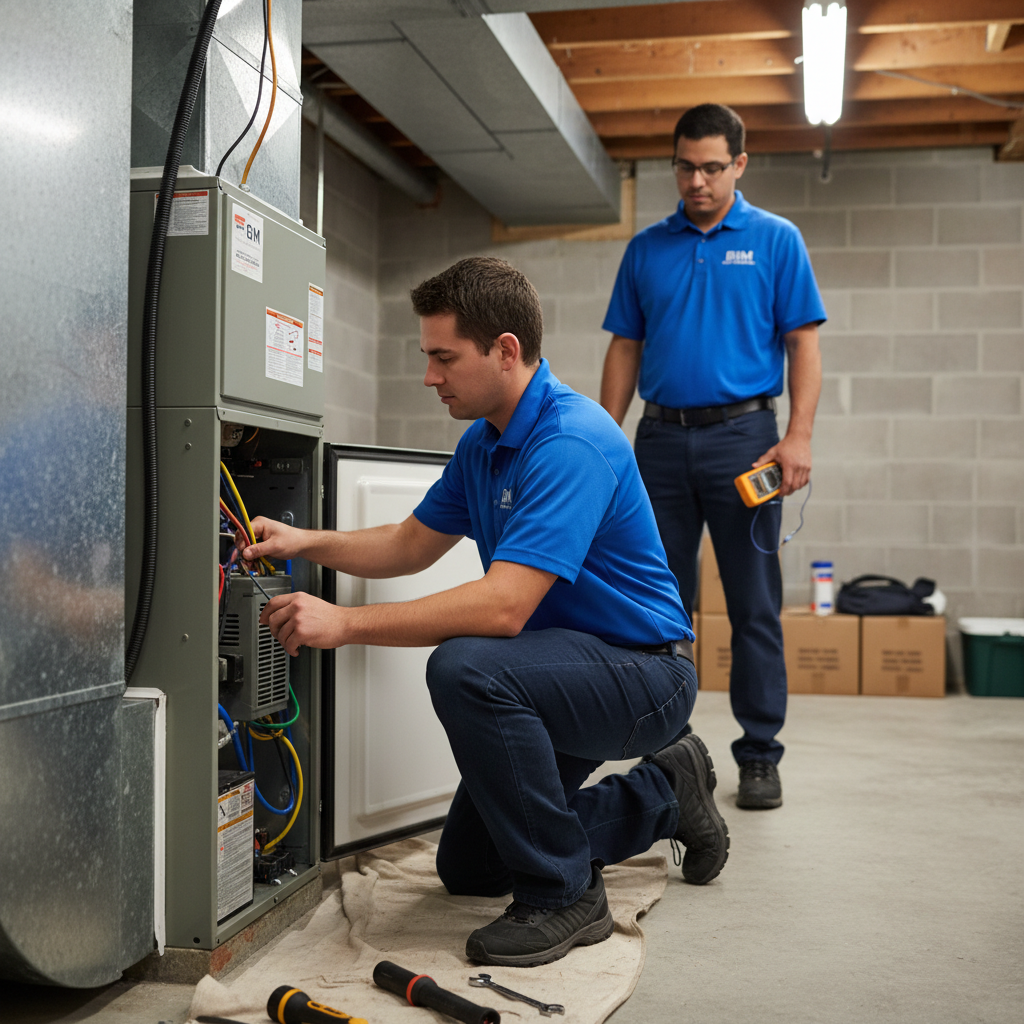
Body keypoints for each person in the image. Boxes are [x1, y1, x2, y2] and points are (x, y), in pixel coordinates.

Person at [242, 256, 729, 968]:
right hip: (560, 667)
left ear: (505, 351)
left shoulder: (571, 442)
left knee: (468, 667)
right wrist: (305, 540)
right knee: (471, 866)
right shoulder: (485, 444)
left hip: (643, 675)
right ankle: (666, 791)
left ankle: (566, 897)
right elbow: (411, 542)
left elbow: (504, 608)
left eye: (444, 357)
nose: (430, 376)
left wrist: (343, 625)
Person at [599, 104, 827, 811]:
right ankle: (670, 752)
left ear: (739, 165)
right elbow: (625, 347)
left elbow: (804, 345)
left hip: (745, 441)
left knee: (753, 605)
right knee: (656, 606)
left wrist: (799, 436)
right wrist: (604, 438)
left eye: (711, 167)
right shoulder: (646, 248)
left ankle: (759, 753)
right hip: (660, 444)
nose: (696, 181)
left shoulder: (775, 240)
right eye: (684, 166)